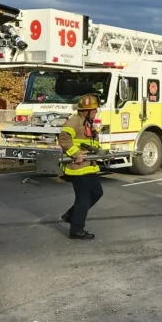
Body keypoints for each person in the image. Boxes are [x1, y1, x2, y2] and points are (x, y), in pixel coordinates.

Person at [58, 93, 104, 239]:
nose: (96, 112)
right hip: (78, 168)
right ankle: (76, 229)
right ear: (87, 110)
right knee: (83, 199)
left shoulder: (88, 123)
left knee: (97, 193)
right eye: (94, 110)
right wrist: (76, 154)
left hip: (89, 166)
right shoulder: (75, 121)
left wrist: (101, 152)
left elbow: (90, 143)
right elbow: (64, 138)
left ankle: (71, 215)